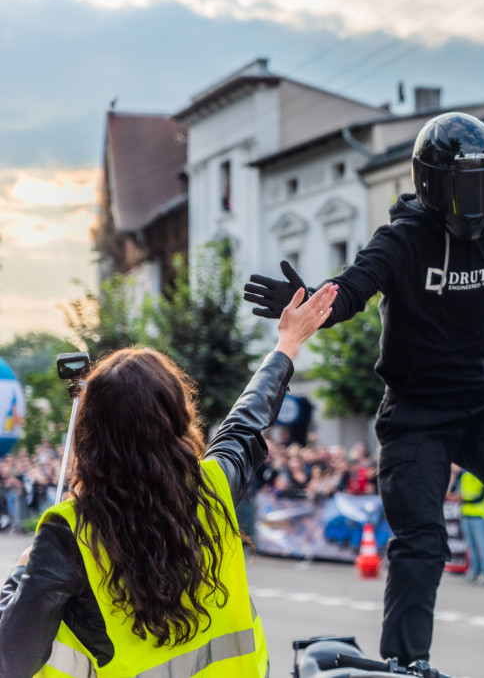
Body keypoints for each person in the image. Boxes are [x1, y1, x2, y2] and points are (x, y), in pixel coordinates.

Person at [244, 112, 484, 671]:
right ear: (431, 187)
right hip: (415, 413)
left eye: (483, 185)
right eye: (461, 188)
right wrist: (307, 301)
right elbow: (353, 288)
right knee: (421, 538)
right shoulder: (402, 240)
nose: (474, 201)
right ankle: (405, 663)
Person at [0, 282, 338, 677]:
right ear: (177, 418)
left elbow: (11, 659)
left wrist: (23, 571)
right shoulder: (214, 484)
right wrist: (286, 345)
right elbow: (246, 419)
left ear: (91, 434)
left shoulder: (69, 533)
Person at [458, 468, 484, 585]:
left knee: (482, 546)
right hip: (466, 514)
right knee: (471, 547)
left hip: (480, 515)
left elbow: (481, 497)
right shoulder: (464, 476)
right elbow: (459, 492)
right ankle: (474, 570)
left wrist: (463, 500)